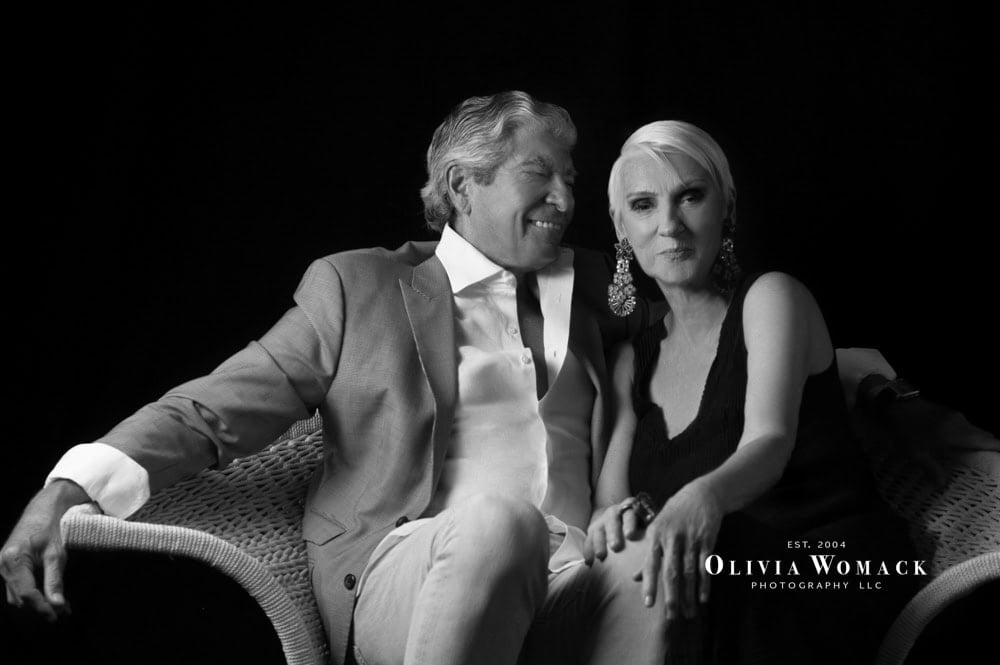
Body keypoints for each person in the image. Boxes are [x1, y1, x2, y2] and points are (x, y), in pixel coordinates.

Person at [1, 91, 674, 665]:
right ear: (463, 184)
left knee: (655, 559)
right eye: (540, 173)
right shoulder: (360, 289)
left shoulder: (594, 285)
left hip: (567, 577)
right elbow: (210, 409)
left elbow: (699, 322)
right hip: (412, 570)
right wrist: (65, 489)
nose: (565, 196)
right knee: (504, 524)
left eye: (572, 177)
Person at [584, 120, 927, 664]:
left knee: (702, 563)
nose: (669, 224)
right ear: (620, 227)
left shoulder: (771, 299)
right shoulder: (629, 361)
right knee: (647, 572)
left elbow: (769, 439)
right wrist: (612, 517)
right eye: (644, 205)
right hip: (713, 583)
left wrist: (705, 497)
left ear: (727, 206)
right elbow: (610, 499)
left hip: (831, 565)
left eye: (690, 196)